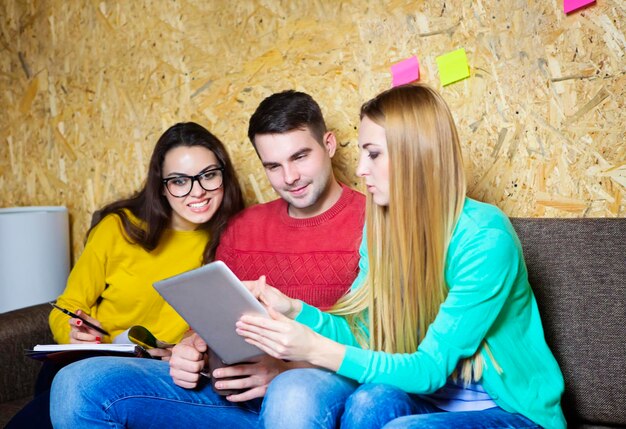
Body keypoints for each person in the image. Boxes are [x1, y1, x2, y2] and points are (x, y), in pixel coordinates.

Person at [234, 84, 567, 429]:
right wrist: (292, 309)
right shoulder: (383, 230)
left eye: (373, 154)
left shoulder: (484, 239)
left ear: (416, 154)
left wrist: (314, 349)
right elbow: (362, 335)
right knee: (367, 399)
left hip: (508, 413)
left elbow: (429, 369)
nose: (361, 169)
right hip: (428, 402)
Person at [48, 90, 365, 427]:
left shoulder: (374, 222)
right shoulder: (241, 227)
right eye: (273, 166)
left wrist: (286, 370)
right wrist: (189, 350)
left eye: (300, 157)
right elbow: (208, 325)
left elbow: (384, 342)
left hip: (312, 390)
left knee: (292, 393)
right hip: (230, 398)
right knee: (78, 383)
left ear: (329, 145)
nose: (289, 178)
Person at [6, 121, 244, 428]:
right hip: (90, 358)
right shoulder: (118, 227)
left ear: (224, 176)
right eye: (180, 181)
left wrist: (181, 352)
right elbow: (67, 304)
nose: (197, 191)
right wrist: (75, 331)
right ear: (161, 186)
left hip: (154, 372)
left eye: (209, 176)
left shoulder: (237, 239)